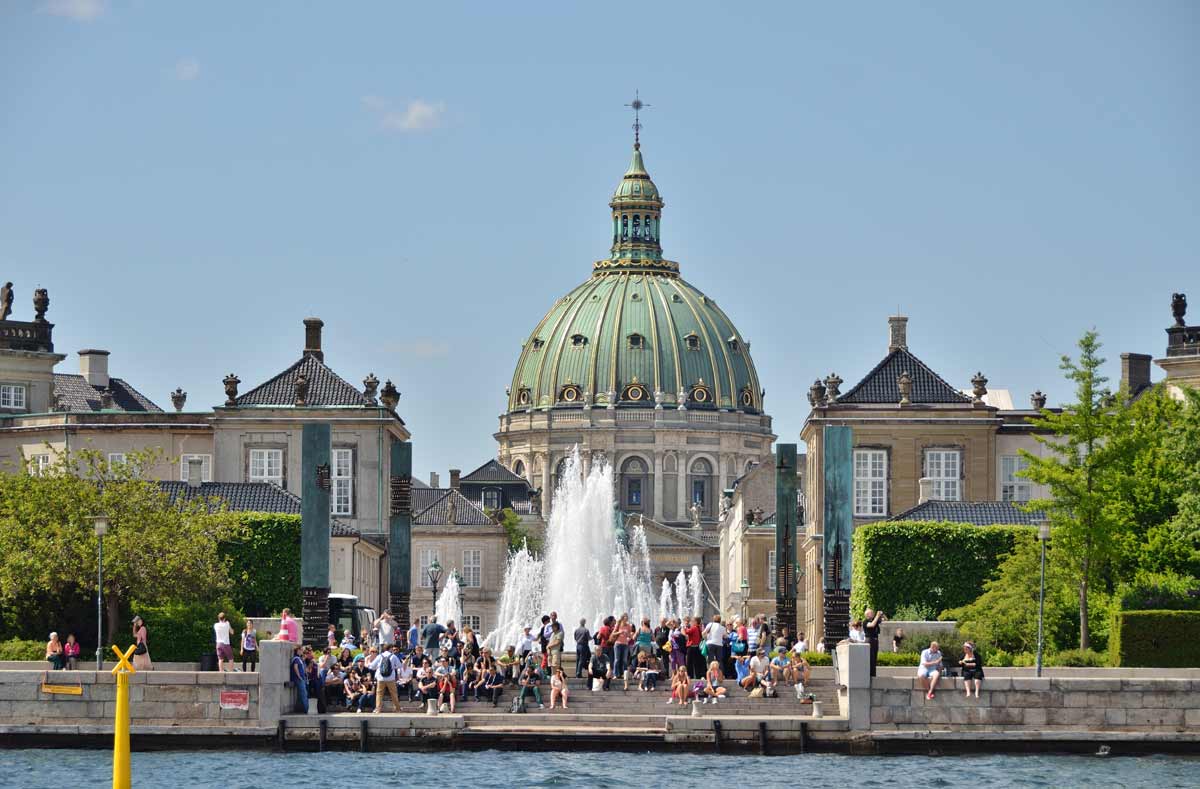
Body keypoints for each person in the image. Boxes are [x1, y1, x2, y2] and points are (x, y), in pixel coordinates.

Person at [369, 645, 403, 713]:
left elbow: (372, 666)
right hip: (391, 678)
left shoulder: (379, 656)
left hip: (381, 678)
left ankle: (378, 709)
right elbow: (400, 665)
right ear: (390, 649)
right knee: (393, 693)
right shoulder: (393, 656)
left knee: (379, 694)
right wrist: (393, 667)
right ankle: (398, 709)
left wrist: (378, 667)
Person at [863, 608, 885, 677]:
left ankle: (873, 675)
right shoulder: (865, 621)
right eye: (871, 613)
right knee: (870, 659)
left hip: (875, 640)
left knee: (874, 659)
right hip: (869, 640)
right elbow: (872, 625)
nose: (873, 613)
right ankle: (869, 675)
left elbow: (885, 620)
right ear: (867, 615)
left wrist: (882, 614)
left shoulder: (874, 620)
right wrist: (877, 616)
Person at [290, 645, 308, 713]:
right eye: (301, 650)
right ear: (297, 650)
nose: (302, 652)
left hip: (301, 678)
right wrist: (299, 676)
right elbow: (295, 667)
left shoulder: (299, 658)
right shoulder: (296, 659)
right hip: (299, 679)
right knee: (304, 694)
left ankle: (301, 709)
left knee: (302, 695)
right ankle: (306, 710)